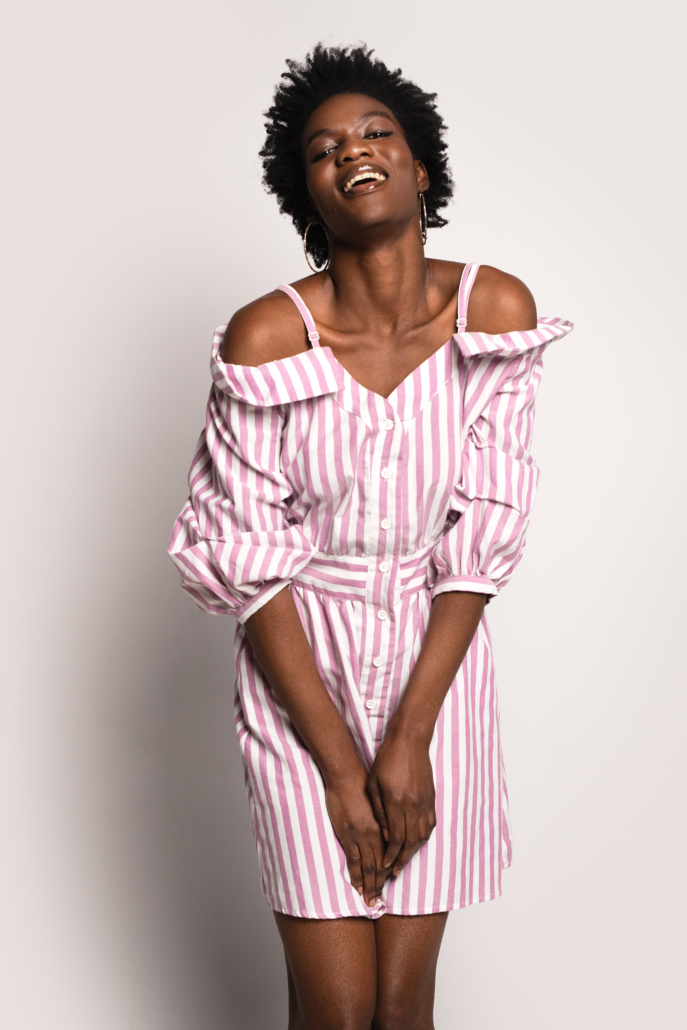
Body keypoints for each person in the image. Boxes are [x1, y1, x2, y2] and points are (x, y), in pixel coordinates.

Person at [169, 44, 573, 1030]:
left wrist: (409, 740)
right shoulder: (266, 338)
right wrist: (343, 770)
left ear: (420, 165)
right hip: (299, 676)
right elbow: (249, 561)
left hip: (437, 677)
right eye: (323, 149)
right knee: (339, 1010)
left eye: (376, 132)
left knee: (399, 1007)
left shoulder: (493, 313)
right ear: (306, 194)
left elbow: (483, 533)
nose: (352, 151)